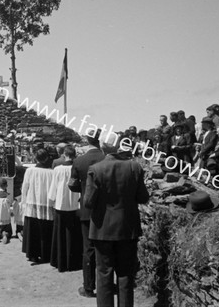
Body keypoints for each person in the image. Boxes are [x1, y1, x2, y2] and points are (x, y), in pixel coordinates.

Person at [84, 132, 149, 307]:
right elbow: (143, 197)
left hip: (102, 228)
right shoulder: (134, 167)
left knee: (104, 273)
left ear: (103, 146)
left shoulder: (96, 169)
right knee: (126, 273)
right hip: (127, 227)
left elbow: (88, 202)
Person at [68, 129, 106, 298]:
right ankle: (106, 285)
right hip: (106, 210)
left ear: (87, 140)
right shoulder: (106, 158)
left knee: (88, 248)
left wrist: (84, 189)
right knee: (106, 247)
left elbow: (72, 185)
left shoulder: (79, 161)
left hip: (86, 209)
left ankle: (88, 287)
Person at [48, 145, 82, 272]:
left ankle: (60, 262)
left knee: (60, 234)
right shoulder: (77, 167)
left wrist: (51, 201)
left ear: (64, 155)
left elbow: (54, 187)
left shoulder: (58, 169)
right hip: (75, 205)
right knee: (74, 235)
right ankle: (74, 262)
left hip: (61, 204)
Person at [21, 149, 55, 264]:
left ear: (35, 158)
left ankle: (33, 254)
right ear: (47, 158)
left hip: (33, 202)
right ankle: (46, 254)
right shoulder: (52, 172)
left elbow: (25, 187)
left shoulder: (30, 171)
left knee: (33, 230)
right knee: (45, 230)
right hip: (46, 204)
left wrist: (24, 202)